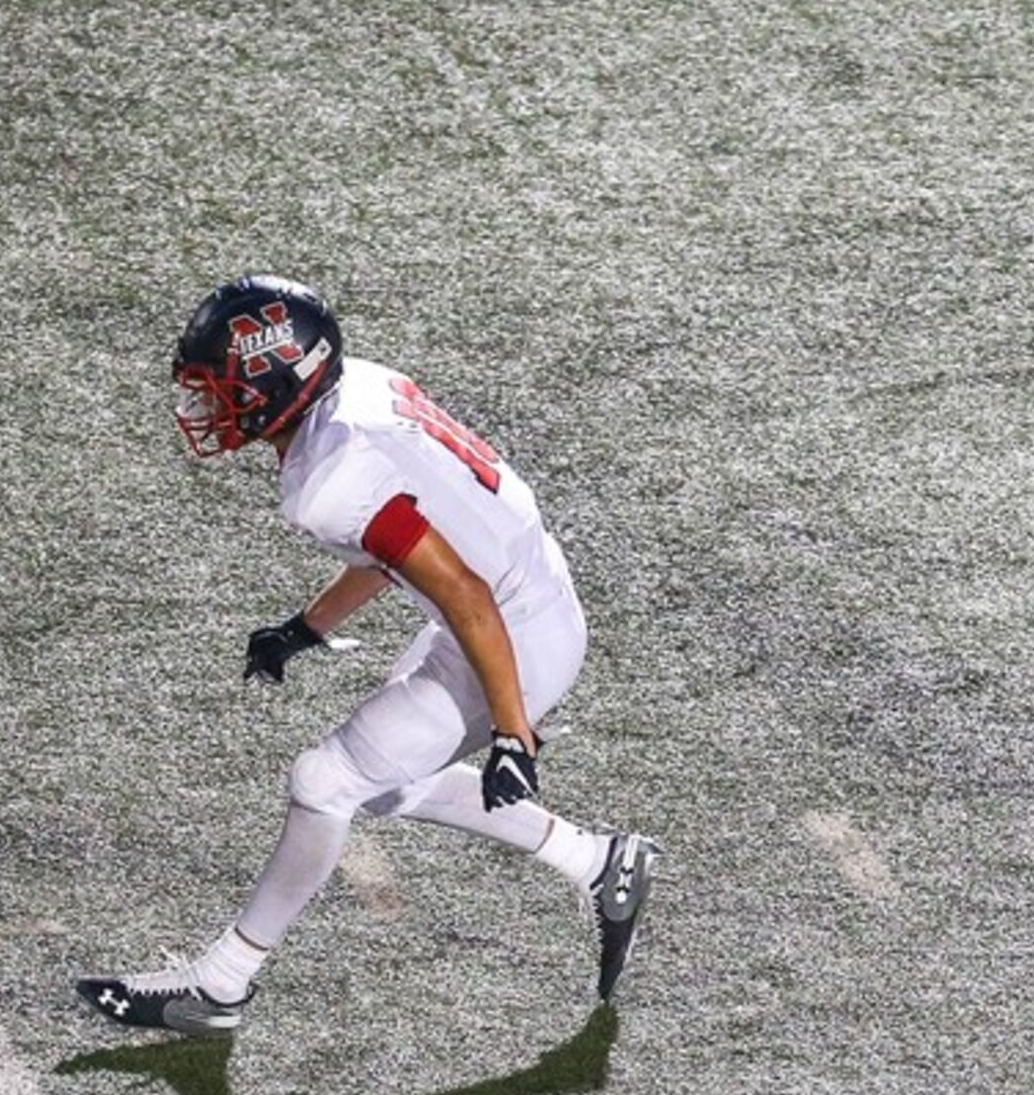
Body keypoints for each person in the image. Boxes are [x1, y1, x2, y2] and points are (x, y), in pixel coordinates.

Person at [76, 275, 658, 1037]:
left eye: (220, 387)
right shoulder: (359, 398)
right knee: (382, 785)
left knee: (324, 783)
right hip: (523, 600)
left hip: (508, 630)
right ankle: (599, 861)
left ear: (277, 383)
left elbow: (461, 592)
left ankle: (220, 984)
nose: (207, 406)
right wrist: (306, 626)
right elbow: (409, 545)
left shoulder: (330, 479)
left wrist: (515, 733)